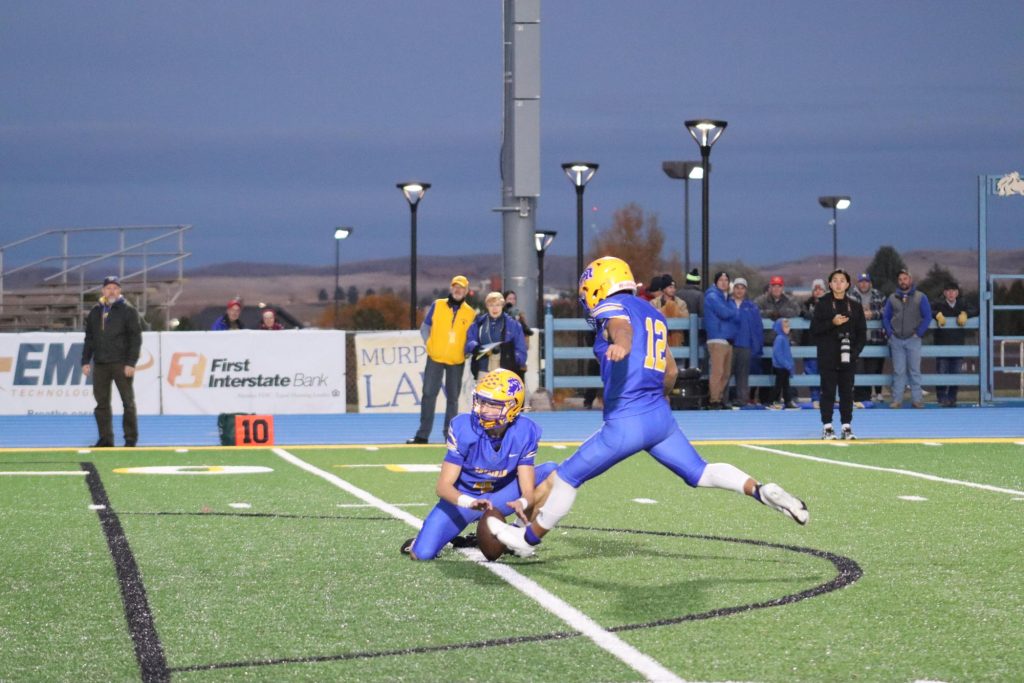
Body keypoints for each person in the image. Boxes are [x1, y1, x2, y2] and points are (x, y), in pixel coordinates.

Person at [487, 256, 809, 558]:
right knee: (700, 471)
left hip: (628, 419)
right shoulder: (654, 313)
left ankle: (526, 539)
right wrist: (657, 396)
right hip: (659, 416)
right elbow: (670, 372)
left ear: (599, 286)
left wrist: (622, 345)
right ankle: (760, 490)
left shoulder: (610, 307)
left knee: (568, 477)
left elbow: (620, 328)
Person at [400, 369, 557, 560]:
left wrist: (522, 502)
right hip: (464, 500)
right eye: (482, 401)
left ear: (513, 407)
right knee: (421, 555)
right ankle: (427, 540)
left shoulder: (525, 431)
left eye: (493, 404)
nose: (484, 409)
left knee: (552, 472)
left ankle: (514, 537)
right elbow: (443, 487)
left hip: (501, 497)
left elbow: (527, 489)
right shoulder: (464, 427)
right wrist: (470, 502)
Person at [407, 275, 476, 444]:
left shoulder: (470, 313)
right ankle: (422, 435)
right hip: (435, 357)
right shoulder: (437, 305)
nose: (458, 290)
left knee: (453, 398)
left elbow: (472, 337)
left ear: (466, 291)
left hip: (456, 360)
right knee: (429, 394)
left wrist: (467, 350)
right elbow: (425, 328)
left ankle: (449, 435)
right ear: (451, 288)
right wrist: (430, 344)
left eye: (461, 287)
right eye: (455, 287)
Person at [81, 276, 143, 448]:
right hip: (100, 363)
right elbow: (90, 338)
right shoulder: (95, 311)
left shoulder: (128, 310)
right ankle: (105, 439)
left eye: (115, 288)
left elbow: (135, 338)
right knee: (101, 404)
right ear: (103, 291)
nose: (112, 291)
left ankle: (130, 439)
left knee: (127, 402)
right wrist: (85, 360)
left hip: (121, 363)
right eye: (108, 288)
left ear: (120, 290)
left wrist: (131, 362)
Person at [811, 269, 867, 440]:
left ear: (848, 284)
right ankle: (827, 426)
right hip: (828, 355)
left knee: (847, 392)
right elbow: (814, 330)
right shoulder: (822, 304)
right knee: (827, 391)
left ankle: (846, 426)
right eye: (835, 280)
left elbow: (862, 333)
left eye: (842, 280)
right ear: (829, 284)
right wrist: (832, 323)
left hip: (848, 356)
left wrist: (854, 353)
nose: (838, 283)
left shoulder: (855, 306)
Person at [883, 269, 932, 408]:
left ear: (910, 279)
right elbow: (885, 317)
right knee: (898, 371)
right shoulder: (892, 298)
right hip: (896, 339)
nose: (902, 281)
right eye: (900, 279)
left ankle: (917, 400)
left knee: (914, 370)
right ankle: (897, 400)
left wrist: (919, 333)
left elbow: (927, 316)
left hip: (913, 339)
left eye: (905, 279)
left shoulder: (920, 297)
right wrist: (890, 333)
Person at [755, 276, 801, 403]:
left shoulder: (789, 300)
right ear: (770, 287)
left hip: (783, 342)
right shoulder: (762, 300)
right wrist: (770, 313)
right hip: (767, 341)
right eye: (774, 286)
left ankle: (789, 398)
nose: (776, 288)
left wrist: (780, 313)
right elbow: (755, 310)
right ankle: (766, 400)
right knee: (767, 371)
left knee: (785, 372)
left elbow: (796, 311)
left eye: (779, 286)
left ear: (782, 287)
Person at [466, 291, 527, 381]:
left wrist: (513, 360)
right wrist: (476, 347)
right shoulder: (478, 323)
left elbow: (521, 348)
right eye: (491, 305)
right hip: (483, 370)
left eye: (498, 305)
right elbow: (469, 341)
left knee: (504, 395)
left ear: (502, 305)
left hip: (506, 372)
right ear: (487, 306)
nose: (495, 308)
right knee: (484, 394)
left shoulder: (513, 325)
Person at [931, 281, 974, 407]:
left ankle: (952, 398)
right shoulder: (938, 303)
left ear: (957, 293)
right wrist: (936, 314)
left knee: (956, 373)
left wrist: (966, 314)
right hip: (941, 344)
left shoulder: (962, 303)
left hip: (958, 345)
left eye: (953, 291)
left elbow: (975, 309)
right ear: (944, 293)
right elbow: (926, 308)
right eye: (948, 291)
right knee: (942, 372)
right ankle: (941, 397)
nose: (951, 293)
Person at [703, 271, 738, 409]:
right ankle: (714, 399)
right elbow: (725, 313)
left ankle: (720, 397)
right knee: (717, 371)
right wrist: (732, 306)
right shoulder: (712, 297)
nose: (724, 282)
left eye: (726, 280)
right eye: (721, 280)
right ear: (716, 282)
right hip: (717, 338)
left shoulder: (724, 298)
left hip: (727, 339)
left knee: (726, 372)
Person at [849, 273, 886, 402]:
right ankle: (860, 398)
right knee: (858, 369)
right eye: (861, 281)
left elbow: (886, 312)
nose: (863, 284)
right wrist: (861, 314)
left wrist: (872, 314)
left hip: (875, 339)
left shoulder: (879, 296)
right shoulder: (851, 296)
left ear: (870, 283)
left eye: (866, 281)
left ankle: (869, 398)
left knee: (872, 369)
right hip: (858, 340)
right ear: (858, 283)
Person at [728, 278, 763, 407]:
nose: (739, 290)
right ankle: (725, 399)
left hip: (745, 344)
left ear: (745, 290)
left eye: (742, 288)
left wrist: (757, 346)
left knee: (743, 376)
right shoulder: (727, 304)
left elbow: (757, 328)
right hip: (729, 345)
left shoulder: (751, 307)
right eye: (737, 287)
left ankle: (742, 399)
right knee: (726, 374)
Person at [801, 279, 827, 407]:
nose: (818, 291)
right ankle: (815, 397)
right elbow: (803, 313)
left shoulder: (830, 303)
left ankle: (826, 397)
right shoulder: (806, 303)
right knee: (811, 370)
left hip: (826, 343)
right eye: (815, 289)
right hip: (810, 342)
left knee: (826, 371)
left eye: (820, 289)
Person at [650, 273, 689, 348]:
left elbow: (686, 317)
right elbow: (650, 317)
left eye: (674, 287)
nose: (673, 290)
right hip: (659, 340)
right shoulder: (654, 303)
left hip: (678, 340)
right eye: (670, 287)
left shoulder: (681, 303)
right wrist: (665, 310)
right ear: (664, 289)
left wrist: (673, 309)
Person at [769, 319, 796, 409]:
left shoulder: (785, 338)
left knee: (785, 385)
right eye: (785, 327)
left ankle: (787, 401)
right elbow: (778, 354)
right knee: (779, 385)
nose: (787, 329)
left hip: (784, 366)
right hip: (780, 367)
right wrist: (787, 365)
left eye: (788, 326)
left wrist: (789, 365)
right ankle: (773, 401)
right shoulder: (780, 338)